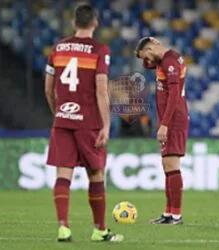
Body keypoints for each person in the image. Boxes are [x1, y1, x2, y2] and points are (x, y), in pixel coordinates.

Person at [44, 4, 123, 242]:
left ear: (74, 23)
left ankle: (63, 228)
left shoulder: (58, 48)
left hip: (63, 120)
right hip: (89, 121)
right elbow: (101, 89)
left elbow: (48, 89)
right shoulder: (100, 50)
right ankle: (99, 230)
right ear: (95, 23)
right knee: (96, 174)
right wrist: (106, 125)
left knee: (63, 174)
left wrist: (58, 113)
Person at [135, 37, 189, 224]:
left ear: (151, 48)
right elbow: (147, 63)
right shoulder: (164, 60)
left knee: (172, 166)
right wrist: (146, 50)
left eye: (147, 55)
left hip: (174, 119)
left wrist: (164, 124)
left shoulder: (170, 61)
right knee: (167, 166)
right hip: (169, 118)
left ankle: (176, 215)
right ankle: (168, 214)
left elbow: (174, 94)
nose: (147, 61)